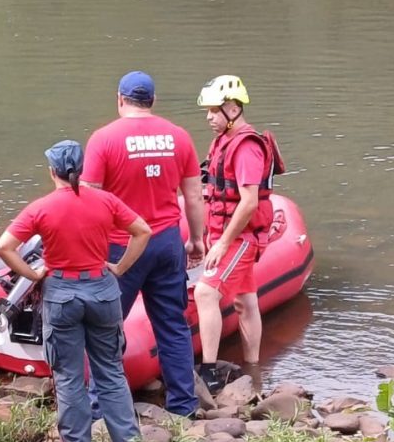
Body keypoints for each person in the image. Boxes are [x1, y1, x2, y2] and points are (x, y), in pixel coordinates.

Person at [0, 140, 150, 442]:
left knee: (68, 376)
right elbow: (143, 231)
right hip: (102, 291)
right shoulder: (105, 200)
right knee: (109, 371)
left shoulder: (42, 207)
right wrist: (120, 267)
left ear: (52, 171)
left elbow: (3, 247)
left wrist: (33, 274)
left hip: (62, 295)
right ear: (81, 169)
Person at [81, 71, 205, 416]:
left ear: (120, 99)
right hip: (167, 240)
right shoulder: (179, 137)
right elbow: (194, 195)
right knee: (172, 324)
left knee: (105, 327)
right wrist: (196, 239)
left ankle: (98, 409)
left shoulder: (103, 139)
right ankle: (183, 405)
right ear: (153, 102)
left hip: (122, 245)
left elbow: (88, 200)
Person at [194, 75, 280, 394]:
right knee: (245, 301)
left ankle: (209, 372)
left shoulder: (246, 147)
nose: (209, 118)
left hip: (242, 238)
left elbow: (248, 202)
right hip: (225, 232)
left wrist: (223, 242)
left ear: (232, 108)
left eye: (214, 111)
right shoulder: (221, 142)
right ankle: (254, 369)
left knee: (205, 293)